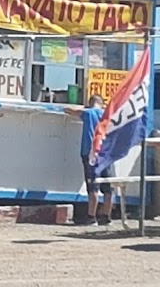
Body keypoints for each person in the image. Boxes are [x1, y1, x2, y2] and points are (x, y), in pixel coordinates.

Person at [65, 95, 114, 226]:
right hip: (106, 154)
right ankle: (106, 216)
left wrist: (83, 107)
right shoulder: (107, 115)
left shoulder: (87, 113)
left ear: (89, 103)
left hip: (90, 153)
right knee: (108, 187)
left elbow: (68, 110)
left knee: (93, 187)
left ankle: (91, 217)